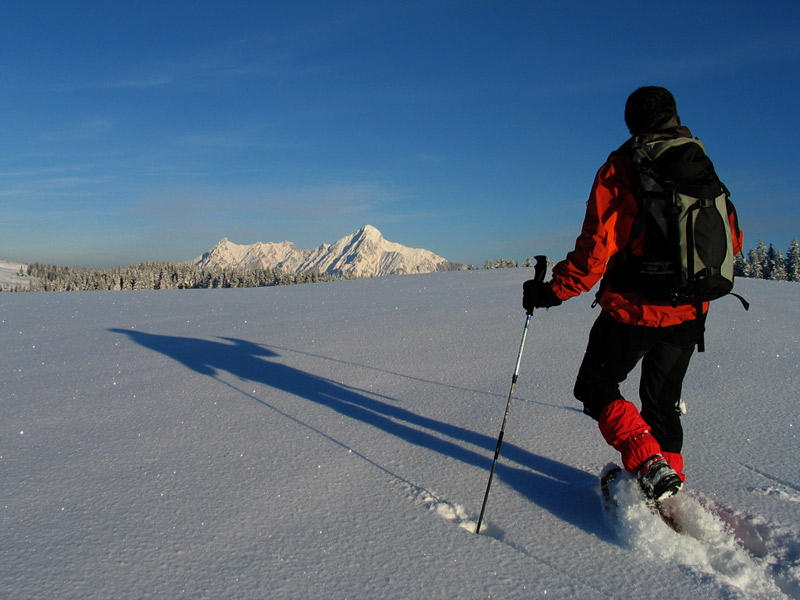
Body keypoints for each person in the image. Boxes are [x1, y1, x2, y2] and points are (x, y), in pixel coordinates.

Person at [522, 86, 743, 501]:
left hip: (636, 308)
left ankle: (649, 466)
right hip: (693, 308)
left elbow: (594, 253)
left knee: (594, 386)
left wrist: (552, 292)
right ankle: (668, 488)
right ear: (674, 115)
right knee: (662, 401)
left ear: (631, 124)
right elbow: (733, 239)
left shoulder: (622, 168)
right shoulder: (701, 165)